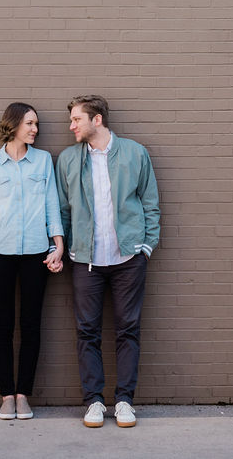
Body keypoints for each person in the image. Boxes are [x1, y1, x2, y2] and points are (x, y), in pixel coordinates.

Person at [55, 95, 160, 429]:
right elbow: (62, 210)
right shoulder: (69, 160)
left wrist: (145, 247)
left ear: (96, 120)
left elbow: (150, 203)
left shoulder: (134, 153)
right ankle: (94, 402)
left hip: (128, 258)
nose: (71, 126)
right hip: (86, 260)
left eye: (76, 119)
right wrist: (63, 248)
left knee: (128, 330)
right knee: (87, 331)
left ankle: (125, 400)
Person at [0, 102, 65, 421]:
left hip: (36, 256)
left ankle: (23, 394)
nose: (35, 129)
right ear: (13, 124)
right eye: (30, 123)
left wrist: (58, 246)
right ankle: (6, 396)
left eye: (37, 124)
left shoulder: (43, 161)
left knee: (31, 326)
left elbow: (52, 205)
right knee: (3, 325)